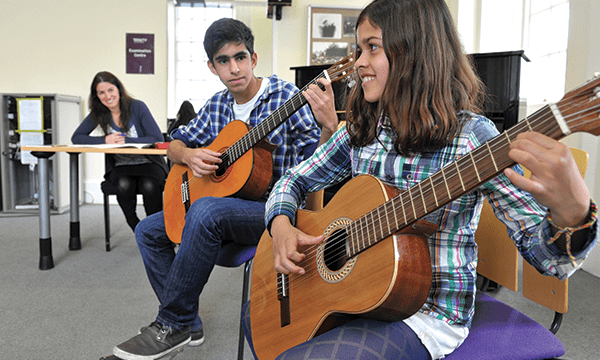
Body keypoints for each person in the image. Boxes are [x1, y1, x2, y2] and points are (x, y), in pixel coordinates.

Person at [261, 0, 598, 359]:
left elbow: (549, 261)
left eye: (372, 47)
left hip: (429, 312)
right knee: (273, 339)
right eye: (358, 49)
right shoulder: (362, 130)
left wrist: (573, 213)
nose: (359, 63)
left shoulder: (474, 140)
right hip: (358, 293)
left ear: (414, 52)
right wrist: (280, 222)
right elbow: (292, 179)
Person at [111, 18, 338, 360]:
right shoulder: (217, 104)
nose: (234, 68)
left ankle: (172, 324)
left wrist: (329, 127)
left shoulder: (286, 97)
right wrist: (188, 155)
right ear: (212, 66)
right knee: (147, 230)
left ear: (254, 58)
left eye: (241, 57)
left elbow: (317, 166)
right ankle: (190, 321)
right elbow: (172, 144)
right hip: (224, 204)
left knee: (205, 212)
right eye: (223, 61)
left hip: (274, 209)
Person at [72, 71, 168, 232]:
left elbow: (157, 137)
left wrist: (127, 140)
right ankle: (136, 227)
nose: (107, 96)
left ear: (118, 89)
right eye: (101, 93)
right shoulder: (99, 112)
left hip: (148, 163)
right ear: (96, 96)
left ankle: (157, 231)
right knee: (124, 185)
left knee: (149, 185)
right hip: (121, 166)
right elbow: (76, 137)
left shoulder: (137, 106)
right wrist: (105, 139)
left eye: (110, 90)